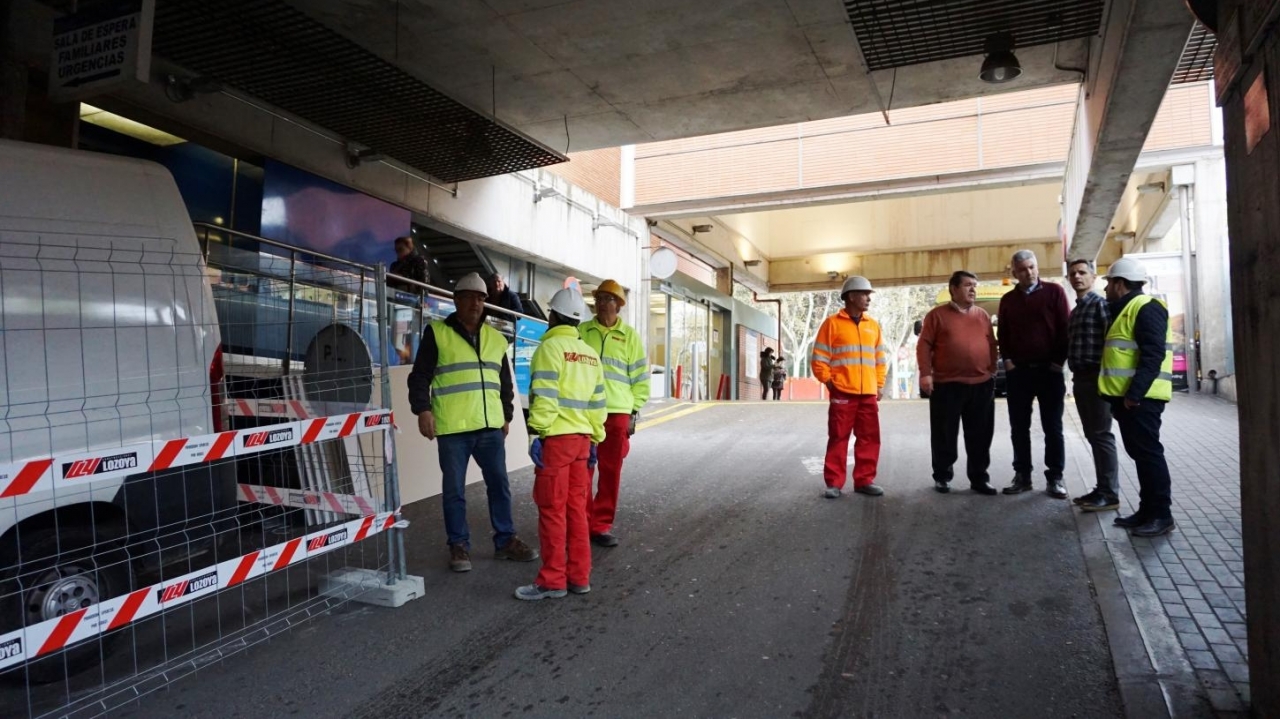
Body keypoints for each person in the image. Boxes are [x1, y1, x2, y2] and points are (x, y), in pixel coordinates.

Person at [407, 271, 538, 572]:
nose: (475, 303)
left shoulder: (495, 337)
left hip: (490, 427)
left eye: (480, 298)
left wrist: (506, 415)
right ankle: (459, 545)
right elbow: (420, 376)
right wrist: (422, 410)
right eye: (468, 297)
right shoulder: (437, 333)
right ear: (456, 300)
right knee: (454, 490)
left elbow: (505, 382)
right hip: (453, 428)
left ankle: (505, 540)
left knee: (500, 486)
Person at [516, 287, 607, 600]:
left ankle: (552, 581)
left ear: (553, 316)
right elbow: (598, 405)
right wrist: (596, 438)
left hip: (556, 441)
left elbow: (545, 398)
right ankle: (579, 577)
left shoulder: (549, 349)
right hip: (583, 442)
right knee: (577, 511)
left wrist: (537, 433)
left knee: (552, 510)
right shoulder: (591, 355)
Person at [1100, 258, 1177, 537]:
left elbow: (1153, 353)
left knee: (1149, 454)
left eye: (1109, 282)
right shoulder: (1127, 309)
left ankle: (1161, 515)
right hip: (1129, 399)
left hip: (1141, 399)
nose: (1106, 288)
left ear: (1120, 284)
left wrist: (1134, 394)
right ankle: (1147, 511)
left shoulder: (1146, 307)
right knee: (1141, 455)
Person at [578, 279, 649, 547]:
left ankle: (601, 524)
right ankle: (582, 522)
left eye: (609, 299)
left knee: (610, 470)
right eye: (599, 299)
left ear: (618, 305)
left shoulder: (629, 337)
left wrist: (633, 410)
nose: (603, 303)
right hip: (585, 410)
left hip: (617, 411)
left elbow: (640, 378)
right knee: (583, 469)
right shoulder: (582, 331)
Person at [997, 250, 1071, 498]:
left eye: (1031, 267)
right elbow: (1003, 334)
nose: (1028, 272)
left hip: (1049, 373)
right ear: (1014, 273)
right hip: (1019, 374)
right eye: (1022, 269)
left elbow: (1065, 329)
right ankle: (1022, 476)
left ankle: (1055, 478)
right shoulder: (1008, 300)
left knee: (1053, 427)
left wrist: (1058, 362)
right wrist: (1007, 360)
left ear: (1037, 267)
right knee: (1019, 427)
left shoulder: (1055, 292)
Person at [917, 270, 999, 495]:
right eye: (967, 285)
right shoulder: (936, 315)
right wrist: (926, 373)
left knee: (981, 435)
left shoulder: (981, 315)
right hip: (947, 384)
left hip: (981, 384)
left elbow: (991, 344)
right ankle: (943, 476)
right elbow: (924, 345)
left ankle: (979, 478)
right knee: (944, 434)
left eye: (975, 285)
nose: (973, 289)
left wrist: (992, 368)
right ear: (953, 289)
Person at [811, 275, 887, 499]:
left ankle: (864, 480)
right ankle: (834, 483)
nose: (868, 299)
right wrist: (829, 382)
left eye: (869, 295)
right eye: (864, 294)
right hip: (843, 392)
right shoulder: (832, 324)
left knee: (869, 438)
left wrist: (879, 385)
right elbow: (819, 358)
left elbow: (880, 360)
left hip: (868, 394)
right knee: (838, 437)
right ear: (851, 296)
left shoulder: (872, 326)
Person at [1066, 259, 1120, 512]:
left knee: (1101, 434)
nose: (1077, 277)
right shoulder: (1076, 311)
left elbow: (1112, 343)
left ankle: (1109, 493)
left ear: (1094, 276)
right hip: (1081, 380)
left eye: (1082, 272)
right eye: (1073, 273)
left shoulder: (1101, 305)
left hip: (1098, 378)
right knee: (1093, 434)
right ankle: (1102, 488)